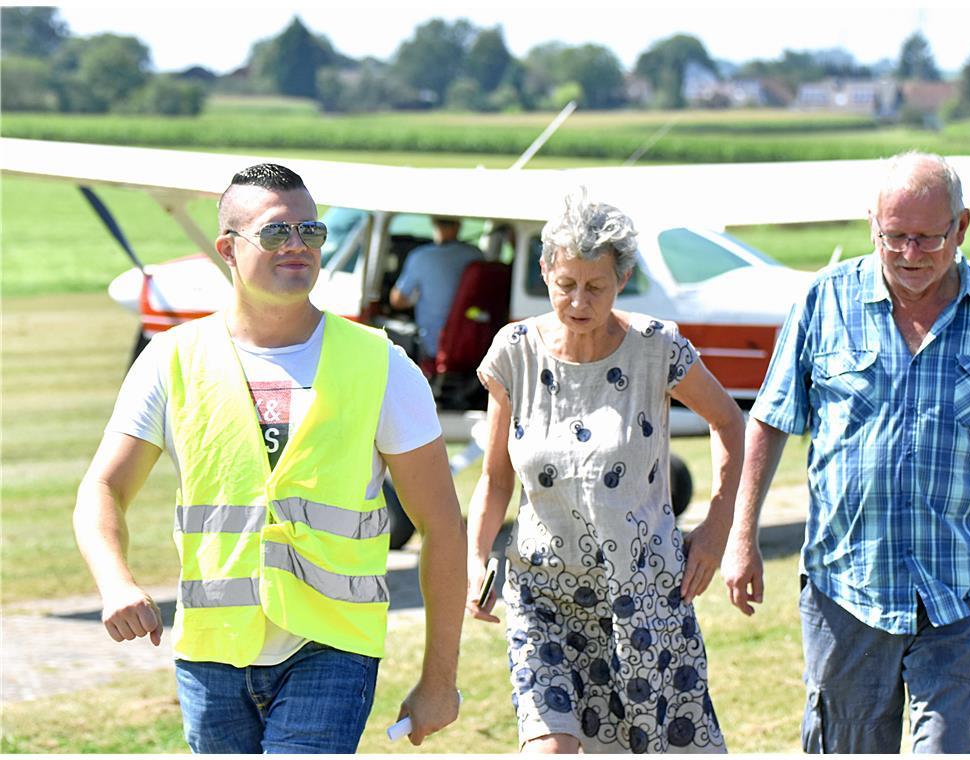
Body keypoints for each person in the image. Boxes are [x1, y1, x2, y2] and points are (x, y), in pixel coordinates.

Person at [73, 163, 466, 753]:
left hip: (332, 648)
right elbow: (101, 490)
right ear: (228, 248)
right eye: (277, 233)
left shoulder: (382, 364)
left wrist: (440, 681)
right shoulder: (170, 359)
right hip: (211, 651)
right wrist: (115, 582)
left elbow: (441, 526)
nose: (299, 247)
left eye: (311, 232)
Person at [721, 151, 970, 753]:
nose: (910, 254)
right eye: (894, 237)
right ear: (872, 224)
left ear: (962, 227)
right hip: (847, 587)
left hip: (958, 587)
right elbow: (771, 421)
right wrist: (743, 538)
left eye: (928, 238)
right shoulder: (823, 303)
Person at [465, 189, 744, 753]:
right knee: (550, 747)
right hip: (544, 598)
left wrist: (717, 531)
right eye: (565, 284)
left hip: (643, 597)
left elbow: (731, 423)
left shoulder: (656, 348)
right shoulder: (513, 351)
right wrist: (475, 557)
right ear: (544, 270)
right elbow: (496, 477)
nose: (577, 301)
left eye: (595, 286)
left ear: (623, 278)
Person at [389, 216, 484, 366]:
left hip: (433, 345)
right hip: (472, 340)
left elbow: (397, 301)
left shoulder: (421, 256)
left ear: (435, 224)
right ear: (458, 226)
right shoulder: (476, 255)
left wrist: (414, 298)